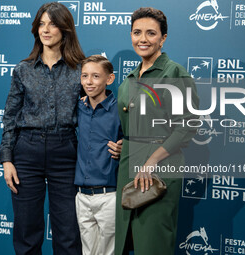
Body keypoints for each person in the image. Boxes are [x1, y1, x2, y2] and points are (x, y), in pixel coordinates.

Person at [0, 2, 85, 255]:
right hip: (27, 152)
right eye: (41, 24)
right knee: (27, 232)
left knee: (69, 233)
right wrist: (7, 159)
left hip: (66, 151)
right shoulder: (23, 70)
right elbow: (10, 117)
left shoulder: (81, 69)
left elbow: (94, 113)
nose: (46, 30)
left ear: (65, 29)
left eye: (53, 24)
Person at [115, 7, 200, 255]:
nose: (143, 39)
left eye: (151, 33)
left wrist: (152, 161)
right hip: (128, 168)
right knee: (126, 242)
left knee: (152, 243)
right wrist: (126, 144)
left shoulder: (174, 73)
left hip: (159, 170)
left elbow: (188, 124)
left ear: (163, 38)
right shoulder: (130, 77)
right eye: (137, 32)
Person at [74, 55, 123, 255]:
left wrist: (125, 147)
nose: (89, 81)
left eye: (95, 76)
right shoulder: (78, 107)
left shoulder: (121, 110)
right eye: (84, 76)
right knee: (87, 251)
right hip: (82, 196)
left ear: (109, 79)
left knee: (109, 252)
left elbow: (139, 141)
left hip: (109, 195)